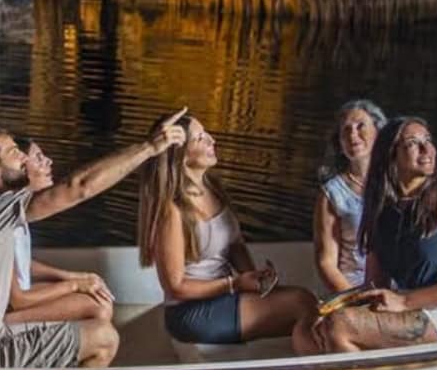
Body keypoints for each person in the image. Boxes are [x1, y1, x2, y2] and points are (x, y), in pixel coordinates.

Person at [0, 111, 189, 369]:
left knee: (95, 315)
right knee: (104, 339)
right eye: (15, 153)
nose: (25, 159)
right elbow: (78, 187)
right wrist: (150, 147)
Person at [136, 114, 322, 353]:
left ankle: (309, 367)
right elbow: (175, 287)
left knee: (310, 306)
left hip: (224, 297)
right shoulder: (172, 210)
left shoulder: (213, 188)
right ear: (181, 156)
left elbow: (235, 245)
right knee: (301, 302)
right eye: (200, 138)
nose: (212, 140)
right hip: (190, 312)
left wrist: (255, 279)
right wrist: (234, 284)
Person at [319, 115, 437, 352]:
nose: (426, 148)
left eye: (427, 140)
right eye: (412, 142)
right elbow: (375, 285)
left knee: (339, 326)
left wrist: (404, 301)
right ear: (390, 156)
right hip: (407, 310)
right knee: (313, 331)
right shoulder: (381, 212)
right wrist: (338, 304)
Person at [3, 141, 118, 341]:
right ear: (21, 168)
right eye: (39, 158)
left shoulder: (17, 209)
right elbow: (18, 300)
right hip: (9, 305)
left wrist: (70, 276)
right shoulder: (3, 218)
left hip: (17, 297)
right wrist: (74, 285)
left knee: (98, 300)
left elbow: (16, 263)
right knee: (98, 308)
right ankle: (6, 325)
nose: (49, 161)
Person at [313, 99, 386, 294]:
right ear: (340, 142)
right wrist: (356, 300)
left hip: (398, 292)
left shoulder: (397, 185)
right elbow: (326, 263)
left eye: (361, 126)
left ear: (378, 133)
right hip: (353, 290)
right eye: (345, 129)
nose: (353, 134)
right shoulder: (332, 193)